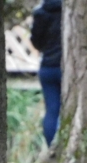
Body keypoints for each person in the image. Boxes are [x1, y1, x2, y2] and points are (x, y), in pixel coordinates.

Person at [30, 0, 62, 149]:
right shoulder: (68, 11)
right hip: (67, 68)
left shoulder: (40, 12)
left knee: (52, 110)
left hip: (47, 67)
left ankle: (52, 147)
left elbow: (36, 41)